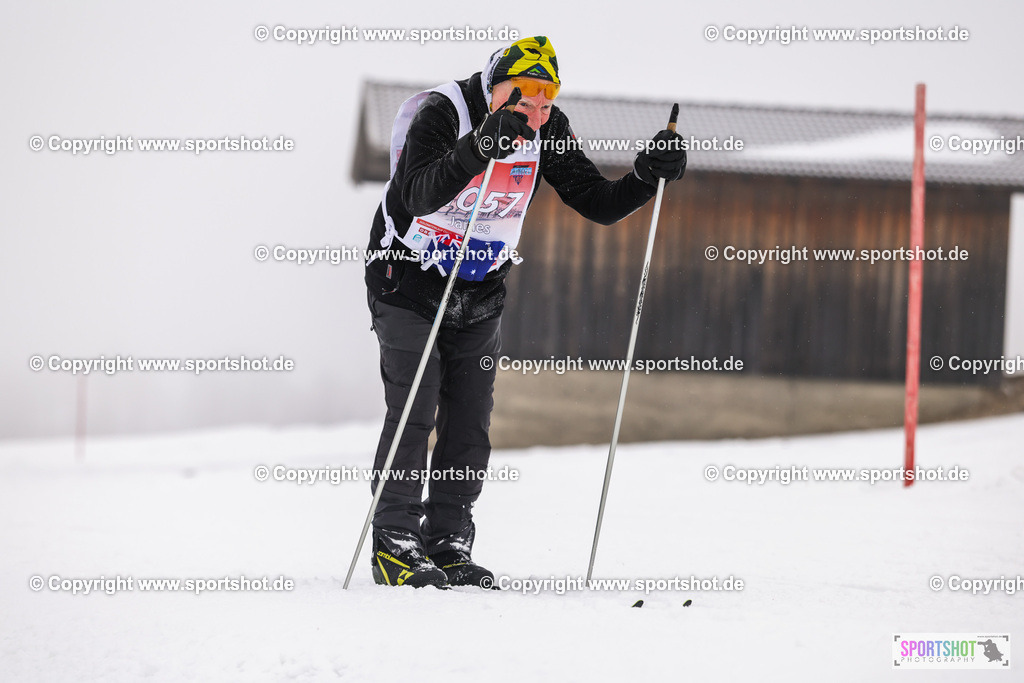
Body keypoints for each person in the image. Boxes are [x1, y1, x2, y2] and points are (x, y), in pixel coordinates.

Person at [363, 36, 686, 588]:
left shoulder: (548, 130)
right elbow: (417, 194)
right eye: (523, 100)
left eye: (545, 102)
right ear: (496, 88)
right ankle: (395, 544)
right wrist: (480, 146)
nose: (535, 114)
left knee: (468, 422)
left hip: (479, 288)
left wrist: (645, 178)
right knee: (416, 411)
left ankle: (447, 544)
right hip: (407, 281)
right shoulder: (445, 113)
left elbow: (597, 202)